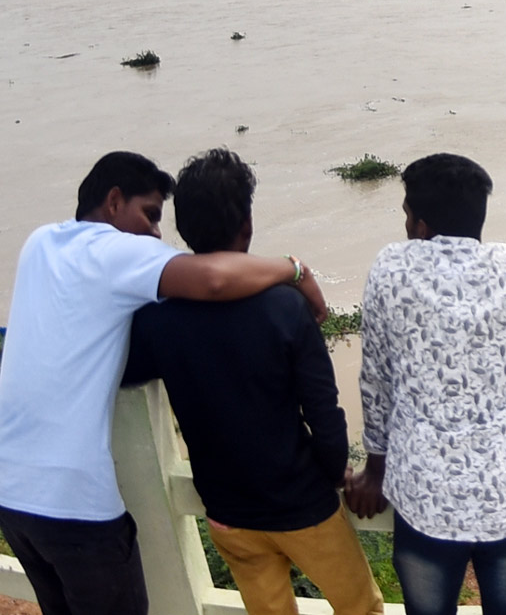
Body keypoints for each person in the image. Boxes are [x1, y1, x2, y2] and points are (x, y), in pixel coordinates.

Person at [0, 150, 327, 615]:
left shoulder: (39, 242)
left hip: (11, 494)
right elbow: (213, 278)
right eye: (150, 214)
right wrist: (296, 270)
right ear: (114, 202)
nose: (156, 232)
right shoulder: (117, 250)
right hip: (72, 503)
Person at [123, 148, 384, 615]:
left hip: (228, 513)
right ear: (247, 224)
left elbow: (125, 370)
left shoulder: (158, 321)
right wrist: (333, 472)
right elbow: (323, 410)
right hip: (303, 504)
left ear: (183, 229)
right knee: (359, 607)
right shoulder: (285, 308)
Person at [343, 152, 506, 615]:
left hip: (423, 494)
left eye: (406, 214)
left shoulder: (392, 269)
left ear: (420, 224)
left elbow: (376, 381)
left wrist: (374, 470)